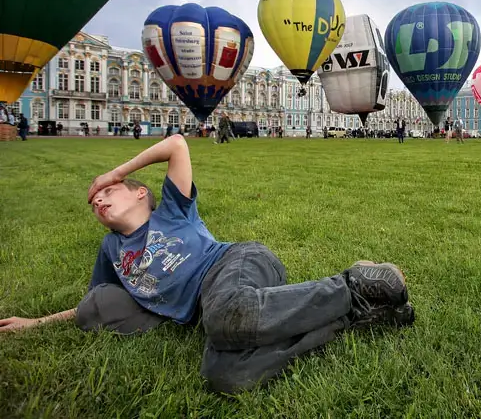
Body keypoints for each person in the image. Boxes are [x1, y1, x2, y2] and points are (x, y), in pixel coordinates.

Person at [0, 134, 415, 394]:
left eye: (107, 193)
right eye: (94, 204)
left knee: (225, 317)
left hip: (235, 266)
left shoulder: (172, 212)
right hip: (210, 311)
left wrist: (114, 170)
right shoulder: (112, 251)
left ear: (141, 193)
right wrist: (35, 324)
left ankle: (352, 283)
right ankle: (360, 314)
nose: (99, 201)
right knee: (226, 376)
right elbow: (94, 301)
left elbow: (177, 144)